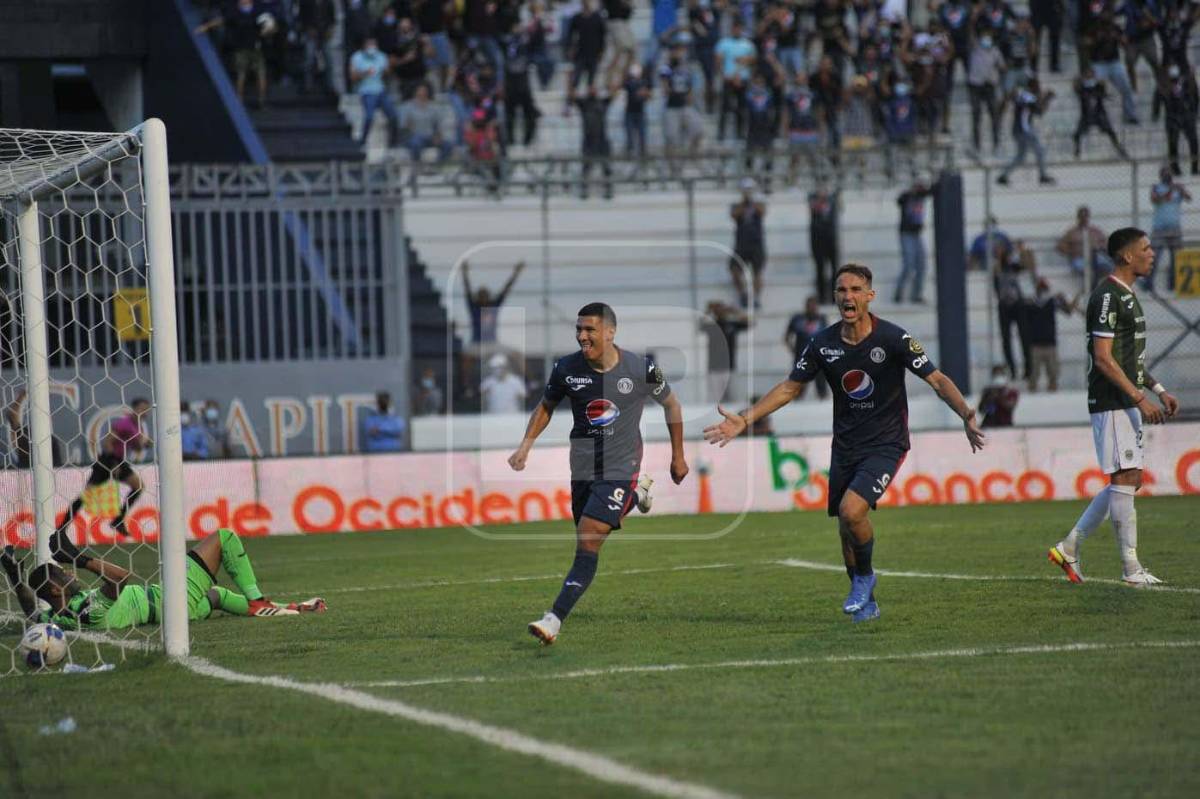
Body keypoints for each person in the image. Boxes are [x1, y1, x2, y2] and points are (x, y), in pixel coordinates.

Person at [704, 264, 984, 623]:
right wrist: (746, 418)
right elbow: (790, 387)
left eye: (855, 289)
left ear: (870, 295)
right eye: (841, 290)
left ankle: (865, 578)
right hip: (846, 447)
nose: (847, 296)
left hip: (886, 443)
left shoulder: (894, 339)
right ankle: (867, 603)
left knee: (853, 511)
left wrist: (965, 412)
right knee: (845, 529)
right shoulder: (822, 343)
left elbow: (937, 379)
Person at [510, 303, 689, 645]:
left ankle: (553, 619)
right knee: (587, 535)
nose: (582, 336)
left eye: (589, 329)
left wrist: (678, 456)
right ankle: (638, 495)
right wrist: (525, 446)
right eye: (579, 329)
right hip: (582, 466)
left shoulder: (643, 368)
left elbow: (672, 404)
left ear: (610, 332)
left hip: (622, 464)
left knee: (589, 538)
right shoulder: (566, 368)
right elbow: (546, 405)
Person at [1047, 228, 1181, 587]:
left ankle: (1069, 547)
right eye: (1145, 248)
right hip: (1112, 401)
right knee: (1124, 478)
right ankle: (1131, 569)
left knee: (1130, 480)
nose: (1152, 253)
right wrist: (1140, 398)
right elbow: (1104, 359)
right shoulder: (1107, 296)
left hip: (1125, 399)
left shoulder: (1127, 295)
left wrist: (1158, 389)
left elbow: (1129, 359)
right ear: (1126, 256)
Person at [1, 529, 325, 631]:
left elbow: (31, 612)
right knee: (223, 538)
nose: (69, 573)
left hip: (176, 605)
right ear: (54, 588)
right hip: (170, 601)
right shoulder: (84, 611)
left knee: (216, 596)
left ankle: (289, 608)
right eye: (63, 573)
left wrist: (14, 576)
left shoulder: (60, 617)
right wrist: (80, 558)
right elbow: (123, 579)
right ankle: (257, 599)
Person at [56, 399, 152, 539]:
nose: (145, 412)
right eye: (142, 408)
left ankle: (118, 520)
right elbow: (107, 442)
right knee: (86, 496)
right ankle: (61, 528)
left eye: (147, 409)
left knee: (138, 486)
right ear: (134, 408)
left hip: (119, 461)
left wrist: (144, 444)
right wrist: (113, 463)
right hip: (108, 460)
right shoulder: (124, 423)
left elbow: (136, 447)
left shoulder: (138, 427)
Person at [195, 0, 269, 108]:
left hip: (255, 48)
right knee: (242, 74)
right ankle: (240, 100)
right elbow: (222, 20)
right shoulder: (237, 12)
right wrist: (206, 27)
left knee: (258, 74)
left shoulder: (257, 10)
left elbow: (268, 25)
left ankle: (261, 101)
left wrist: (267, 30)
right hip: (242, 48)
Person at [997, 77, 1055, 186]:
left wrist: (1044, 99)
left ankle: (1003, 176)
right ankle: (1043, 176)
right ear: (1033, 87)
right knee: (1040, 152)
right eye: (1037, 87)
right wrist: (1047, 99)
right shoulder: (1027, 96)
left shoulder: (1024, 95)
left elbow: (1036, 108)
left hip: (1018, 130)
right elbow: (1039, 111)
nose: (1039, 89)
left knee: (1021, 156)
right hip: (1025, 129)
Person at [1023, 278, 1076, 392]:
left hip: (1049, 343)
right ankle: (1032, 392)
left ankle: (1052, 391)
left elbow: (1068, 311)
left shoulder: (1052, 301)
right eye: (1041, 288)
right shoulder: (1030, 302)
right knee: (1033, 375)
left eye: (1044, 288)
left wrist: (1064, 299)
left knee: (1053, 374)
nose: (1042, 291)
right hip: (1036, 344)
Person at [349, 36, 401, 148]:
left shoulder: (381, 56)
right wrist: (365, 73)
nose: (372, 47)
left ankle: (393, 142)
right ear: (364, 46)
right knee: (369, 117)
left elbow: (387, 74)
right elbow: (352, 77)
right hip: (366, 91)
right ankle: (363, 140)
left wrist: (389, 67)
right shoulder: (357, 57)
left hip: (381, 90)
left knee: (393, 115)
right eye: (369, 44)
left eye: (374, 45)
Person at [994, 239, 1034, 381]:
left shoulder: (1016, 266)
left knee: (1025, 336)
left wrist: (1021, 251)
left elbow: (1028, 268)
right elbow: (997, 274)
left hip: (1018, 304)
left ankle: (1028, 369)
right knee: (1006, 339)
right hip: (1004, 305)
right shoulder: (998, 267)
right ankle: (1012, 370)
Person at [1147, 165, 1192, 292]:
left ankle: (1173, 284)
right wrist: (1170, 190)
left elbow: (1189, 198)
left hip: (1174, 228)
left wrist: (1181, 190)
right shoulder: (1155, 187)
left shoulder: (1178, 187)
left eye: (1169, 173)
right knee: (1154, 256)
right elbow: (1156, 200)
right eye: (1165, 173)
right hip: (1159, 228)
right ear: (1161, 175)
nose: (1168, 176)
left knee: (1176, 257)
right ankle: (1148, 283)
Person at [463, 259, 525, 345]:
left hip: (491, 343)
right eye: (481, 296)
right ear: (477, 297)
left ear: (488, 297)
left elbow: (506, 290)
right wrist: (464, 273)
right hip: (476, 343)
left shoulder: (494, 306)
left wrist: (516, 273)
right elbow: (467, 289)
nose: (483, 298)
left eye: (485, 296)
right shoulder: (474, 307)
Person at [1072, 66, 1129, 159]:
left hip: (1099, 114)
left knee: (1110, 132)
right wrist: (1078, 80)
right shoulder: (1082, 87)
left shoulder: (1098, 86)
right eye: (1087, 74)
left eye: (1091, 73)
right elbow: (1076, 88)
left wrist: (1101, 83)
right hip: (1086, 115)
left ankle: (1118, 148)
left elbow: (1105, 91)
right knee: (1077, 134)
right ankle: (1077, 150)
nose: (1089, 76)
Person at [716, 17, 757, 140]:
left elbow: (754, 59)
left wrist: (745, 60)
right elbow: (718, 60)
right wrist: (724, 75)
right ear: (732, 29)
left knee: (742, 108)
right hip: (728, 78)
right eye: (735, 28)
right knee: (725, 107)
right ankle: (721, 133)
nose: (737, 31)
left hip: (742, 79)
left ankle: (740, 133)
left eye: (739, 29)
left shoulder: (747, 44)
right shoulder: (724, 43)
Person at [701, 301, 751, 402]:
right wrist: (708, 311)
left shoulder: (732, 324)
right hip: (714, 368)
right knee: (714, 399)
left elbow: (749, 323)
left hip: (730, 367)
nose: (721, 311)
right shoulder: (712, 325)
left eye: (722, 308)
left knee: (733, 398)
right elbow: (700, 325)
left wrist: (735, 311)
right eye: (718, 309)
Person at [730, 179, 767, 309]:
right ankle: (743, 295)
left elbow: (762, 212)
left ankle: (755, 298)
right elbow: (734, 215)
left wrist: (751, 202)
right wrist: (744, 202)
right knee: (734, 269)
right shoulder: (737, 205)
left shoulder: (758, 204)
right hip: (741, 243)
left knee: (757, 272)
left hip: (756, 243)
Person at [966, 31, 1006, 153]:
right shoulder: (975, 48)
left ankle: (996, 143)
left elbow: (1003, 67)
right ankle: (976, 145)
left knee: (994, 115)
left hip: (989, 85)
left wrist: (997, 68)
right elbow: (970, 35)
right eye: (984, 37)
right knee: (976, 115)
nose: (986, 40)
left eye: (988, 38)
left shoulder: (995, 51)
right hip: (975, 85)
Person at [1157, 63, 1200, 177]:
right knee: (1173, 142)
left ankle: (1194, 167)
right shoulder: (1164, 83)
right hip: (1172, 116)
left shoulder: (1188, 80)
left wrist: (1194, 112)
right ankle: (1175, 167)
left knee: (1193, 140)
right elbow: (1159, 97)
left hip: (1187, 114)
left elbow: (1195, 96)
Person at [784, 296, 829, 399]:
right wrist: (793, 350)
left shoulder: (821, 319)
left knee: (821, 388)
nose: (812, 308)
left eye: (814, 306)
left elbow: (827, 338)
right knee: (798, 388)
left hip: (818, 358)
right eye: (810, 306)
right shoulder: (797, 319)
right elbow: (787, 337)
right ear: (805, 306)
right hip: (802, 357)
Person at [895, 179, 932, 304]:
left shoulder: (921, 196)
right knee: (908, 265)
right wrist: (912, 192)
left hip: (916, 234)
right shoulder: (907, 197)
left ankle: (916, 295)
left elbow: (931, 191)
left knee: (922, 265)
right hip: (906, 234)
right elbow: (899, 200)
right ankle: (899, 294)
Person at [574, 84, 614, 200]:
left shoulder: (602, 102)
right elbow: (572, 95)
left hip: (602, 139)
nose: (592, 90)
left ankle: (608, 189)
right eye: (590, 87)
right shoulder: (584, 103)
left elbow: (613, 93)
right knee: (586, 166)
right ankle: (584, 189)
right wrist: (571, 79)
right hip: (588, 140)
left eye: (594, 88)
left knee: (606, 166)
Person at [1056, 205, 1110, 284]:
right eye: (1082, 216)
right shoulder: (1072, 232)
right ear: (1078, 217)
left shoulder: (1095, 231)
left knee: (1107, 266)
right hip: (1079, 258)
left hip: (1096, 257)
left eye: (1085, 216)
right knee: (1084, 269)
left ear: (1088, 217)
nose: (1084, 218)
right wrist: (1072, 251)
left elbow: (1106, 243)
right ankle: (1091, 285)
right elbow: (1060, 246)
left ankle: (1097, 284)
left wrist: (1100, 247)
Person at [401, 83, 453, 163]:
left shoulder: (433, 107)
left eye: (424, 91)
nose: (422, 93)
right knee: (415, 143)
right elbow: (404, 126)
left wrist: (437, 136)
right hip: (415, 137)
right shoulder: (408, 106)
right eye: (420, 91)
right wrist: (408, 128)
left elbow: (437, 126)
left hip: (430, 137)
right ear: (415, 93)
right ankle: (417, 165)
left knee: (448, 145)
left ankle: (438, 164)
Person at [807, 187, 838, 300]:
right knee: (820, 270)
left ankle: (834, 296)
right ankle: (822, 297)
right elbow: (813, 208)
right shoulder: (813, 202)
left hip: (831, 241)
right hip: (818, 242)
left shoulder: (832, 202)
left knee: (834, 269)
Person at [622, 63, 651, 157]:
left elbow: (647, 95)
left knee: (642, 134)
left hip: (639, 112)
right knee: (630, 134)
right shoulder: (629, 83)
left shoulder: (643, 83)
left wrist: (644, 93)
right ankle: (630, 151)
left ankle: (642, 152)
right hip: (630, 112)